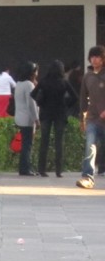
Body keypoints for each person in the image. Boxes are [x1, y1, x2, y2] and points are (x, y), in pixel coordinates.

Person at [34, 60, 77, 178]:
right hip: (60, 113)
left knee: (44, 141)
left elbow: (33, 94)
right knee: (59, 142)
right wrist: (65, 104)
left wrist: (41, 103)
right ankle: (59, 171)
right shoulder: (64, 82)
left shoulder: (44, 81)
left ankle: (41, 169)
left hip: (46, 114)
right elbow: (75, 97)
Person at [76, 46, 105, 190]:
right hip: (93, 119)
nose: (94, 59)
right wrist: (82, 118)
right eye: (92, 57)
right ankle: (87, 177)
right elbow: (83, 98)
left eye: (97, 56)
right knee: (90, 147)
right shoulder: (88, 76)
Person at [13, 61, 39, 176]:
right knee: (27, 145)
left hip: (19, 117)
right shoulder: (29, 85)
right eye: (36, 71)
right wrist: (36, 119)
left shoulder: (18, 83)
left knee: (25, 144)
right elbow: (31, 104)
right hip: (28, 119)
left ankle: (24, 167)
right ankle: (25, 168)